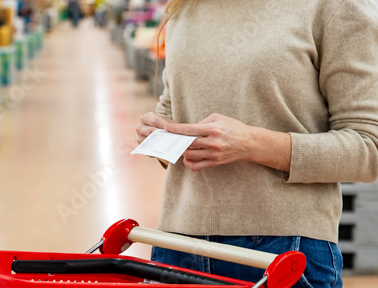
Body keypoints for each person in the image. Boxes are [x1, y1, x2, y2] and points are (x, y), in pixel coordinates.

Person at [135, 0, 378, 287]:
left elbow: (368, 147)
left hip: (283, 251)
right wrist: (160, 135)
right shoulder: (186, 8)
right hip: (177, 245)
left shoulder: (334, 7)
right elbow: (173, 110)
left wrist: (249, 144)